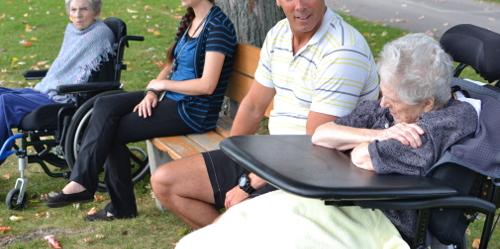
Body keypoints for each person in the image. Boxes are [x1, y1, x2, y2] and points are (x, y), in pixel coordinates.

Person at [150, 0, 380, 229]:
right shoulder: (279, 34)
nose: (300, 5)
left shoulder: (342, 50)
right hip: (273, 158)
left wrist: (247, 184)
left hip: (317, 174)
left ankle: (229, 235)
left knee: (227, 223)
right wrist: (232, 157)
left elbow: (315, 145)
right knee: (165, 182)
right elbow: (253, 105)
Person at [174, 33, 478, 249]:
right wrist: (379, 134)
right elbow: (323, 134)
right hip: (341, 200)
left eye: (394, 100)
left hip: (381, 220)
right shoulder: (392, 112)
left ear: (426, 103)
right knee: (242, 218)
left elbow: (363, 159)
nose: (383, 104)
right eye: (383, 93)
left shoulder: (445, 121)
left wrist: (358, 145)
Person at [46, 0, 238, 221]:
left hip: (192, 111)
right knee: (105, 105)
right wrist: (151, 92)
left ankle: (112, 203)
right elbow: (171, 65)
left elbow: (207, 85)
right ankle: (84, 184)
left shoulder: (218, 27)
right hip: (172, 98)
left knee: (110, 130)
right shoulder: (192, 20)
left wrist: (161, 86)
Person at [0, 0, 115, 163]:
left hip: (62, 96)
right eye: (73, 9)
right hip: (47, 89)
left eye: (84, 9)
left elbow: (75, 73)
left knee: (4, 101)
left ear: (96, 12)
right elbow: (63, 67)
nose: (77, 14)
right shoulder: (73, 31)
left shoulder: (99, 34)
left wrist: (56, 86)